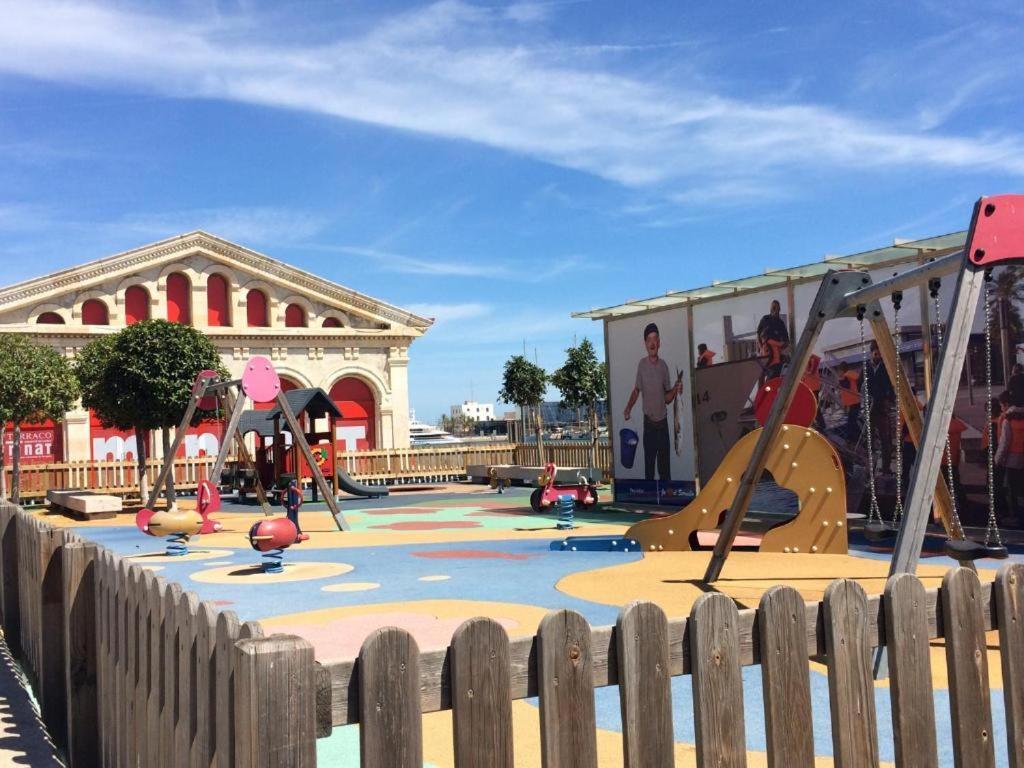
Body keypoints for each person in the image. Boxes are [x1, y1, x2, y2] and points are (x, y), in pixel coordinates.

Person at [624, 322, 683, 482]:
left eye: (655, 339)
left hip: (663, 426)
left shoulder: (664, 366)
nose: (652, 343)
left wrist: (676, 390)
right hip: (648, 426)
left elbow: (667, 399)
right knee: (649, 470)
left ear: (659, 343)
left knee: (665, 472)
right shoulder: (641, 365)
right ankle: (649, 502)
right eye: (649, 339)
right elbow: (637, 390)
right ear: (645, 344)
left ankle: (666, 504)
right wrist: (628, 407)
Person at [996, 391, 1024, 527]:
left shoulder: (1008, 419)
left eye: (1001, 405)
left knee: (1012, 490)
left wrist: (998, 459)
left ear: (1007, 404)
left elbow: (1005, 442)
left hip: (1013, 459)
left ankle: (1016, 517)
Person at [867, 341, 894, 473]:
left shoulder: (886, 367)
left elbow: (891, 384)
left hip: (882, 407)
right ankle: (870, 467)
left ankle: (886, 467)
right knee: (869, 439)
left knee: (885, 439)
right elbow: (861, 383)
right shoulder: (866, 366)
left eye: (879, 353)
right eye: (875, 353)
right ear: (872, 352)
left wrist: (890, 400)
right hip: (870, 407)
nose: (877, 355)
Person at [757, 300, 790, 381]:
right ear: (770, 308)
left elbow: (786, 341)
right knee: (762, 376)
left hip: (776, 356)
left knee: (774, 375)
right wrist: (761, 348)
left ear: (779, 310)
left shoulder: (780, 323)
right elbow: (758, 334)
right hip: (766, 354)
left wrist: (780, 346)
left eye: (777, 308)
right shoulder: (765, 319)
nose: (775, 310)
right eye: (773, 308)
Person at [837, 361, 861, 440]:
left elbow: (846, 386)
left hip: (854, 402)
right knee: (852, 421)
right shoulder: (848, 376)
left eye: (839, 371)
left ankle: (855, 437)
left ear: (842, 370)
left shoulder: (846, 377)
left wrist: (840, 380)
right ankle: (856, 436)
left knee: (851, 421)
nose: (838, 373)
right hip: (853, 402)